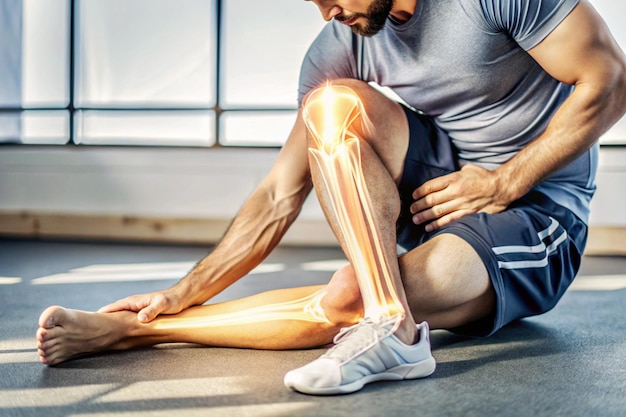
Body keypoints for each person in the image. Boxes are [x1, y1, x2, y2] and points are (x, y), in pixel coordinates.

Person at [37, 0, 626, 395]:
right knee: (331, 106)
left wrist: (503, 181)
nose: (328, 10)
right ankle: (391, 325)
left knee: (346, 294)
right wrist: (178, 292)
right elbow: (279, 193)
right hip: (441, 194)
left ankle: (135, 334)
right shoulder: (340, 41)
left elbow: (611, 81)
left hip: (535, 215)